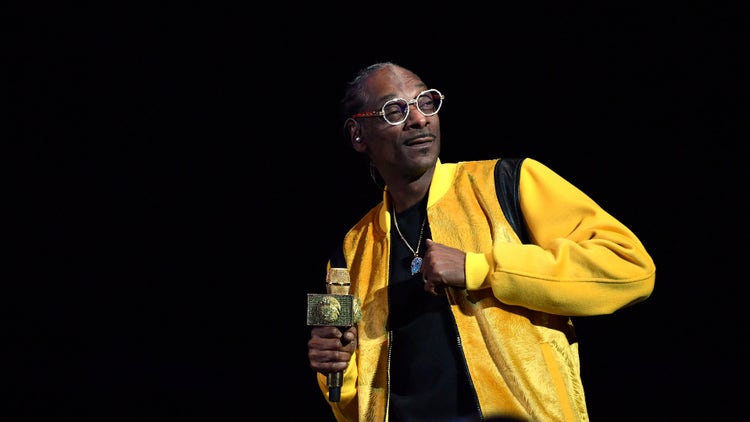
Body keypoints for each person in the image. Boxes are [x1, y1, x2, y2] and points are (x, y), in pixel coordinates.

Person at [307, 62, 656, 422]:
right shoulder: (350, 251)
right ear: (357, 134)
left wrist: (480, 269)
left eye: (426, 102)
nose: (419, 119)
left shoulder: (508, 182)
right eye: (395, 110)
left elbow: (630, 268)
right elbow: (355, 407)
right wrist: (336, 368)